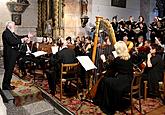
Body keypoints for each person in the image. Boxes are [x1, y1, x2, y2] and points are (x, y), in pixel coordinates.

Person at [93, 41, 133, 114]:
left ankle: (104, 103)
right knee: (107, 80)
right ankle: (104, 100)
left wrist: (104, 59)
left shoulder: (118, 59)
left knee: (104, 80)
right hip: (129, 81)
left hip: (121, 84)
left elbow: (107, 68)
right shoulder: (129, 57)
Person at [2, 21, 33, 90]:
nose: (15, 27)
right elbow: (12, 41)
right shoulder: (6, 33)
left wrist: (27, 36)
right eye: (14, 26)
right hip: (9, 55)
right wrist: (22, 40)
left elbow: (18, 37)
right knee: (8, 70)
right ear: (9, 26)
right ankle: (5, 86)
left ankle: (7, 84)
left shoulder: (11, 33)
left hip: (12, 54)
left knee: (10, 70)